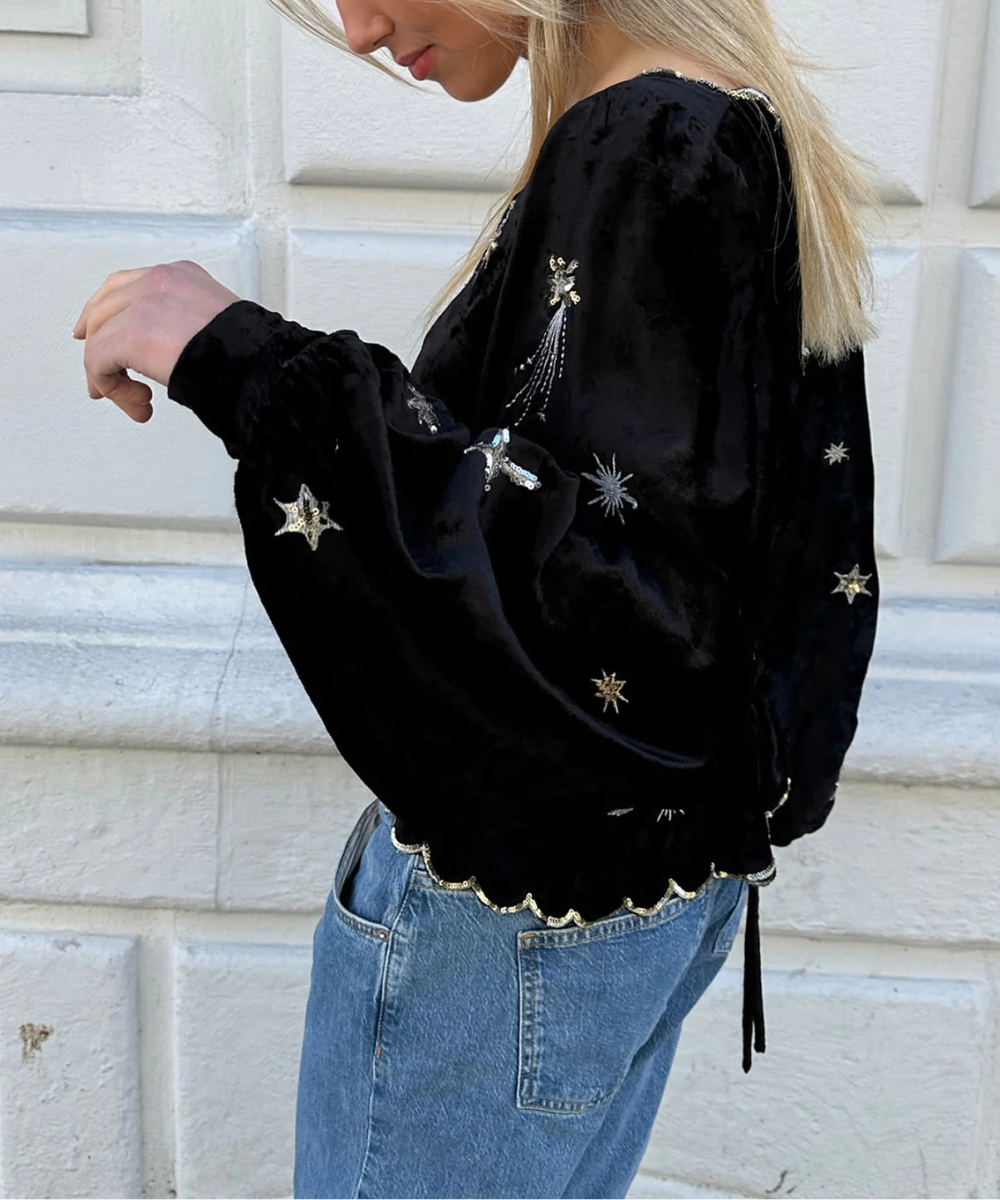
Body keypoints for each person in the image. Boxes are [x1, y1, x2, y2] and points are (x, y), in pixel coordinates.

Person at [71, 0, 880, 1191]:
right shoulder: (715, 123)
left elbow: (601, 600)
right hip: (618, 887)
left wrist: (243, 359)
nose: (357, 32)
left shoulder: (649, 141)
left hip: (510, 918)